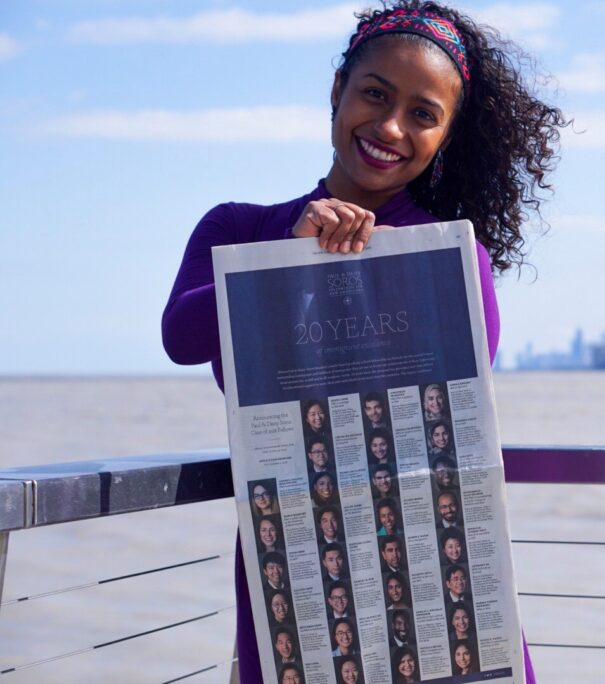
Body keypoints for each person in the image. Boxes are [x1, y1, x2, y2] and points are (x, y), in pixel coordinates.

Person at [162, 2, 565, 680]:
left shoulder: (450, 256)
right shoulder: (239, 229)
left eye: (422, 114)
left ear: (445, 137)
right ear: (336, 92)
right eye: (374, 95)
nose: (389, 128)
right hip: (293, 565)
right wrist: (289, 254)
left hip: (439, 567)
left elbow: (463, 384)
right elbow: (181, 335)